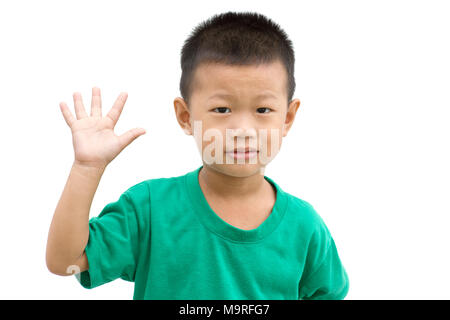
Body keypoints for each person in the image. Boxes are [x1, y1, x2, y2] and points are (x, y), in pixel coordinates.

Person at [46, 11, 349, 300]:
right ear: (186, 116)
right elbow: (65, 262)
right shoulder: (149, 209)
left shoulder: (305, 226)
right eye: (221, 109)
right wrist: (87, 169)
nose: (242, 129)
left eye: (262, 110)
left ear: (287, 118)